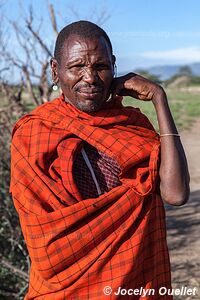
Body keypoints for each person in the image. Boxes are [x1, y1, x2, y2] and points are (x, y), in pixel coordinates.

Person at [10, 20, 190, 299]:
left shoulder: (133, 126)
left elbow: (176, 194)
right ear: (55, 71)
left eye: (100, 66)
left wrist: (159, 98)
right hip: (65, 291)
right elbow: (46, 244)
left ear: (114, 66)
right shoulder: (34, 134)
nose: (90, 77)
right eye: (76, 67)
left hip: (136, 284)